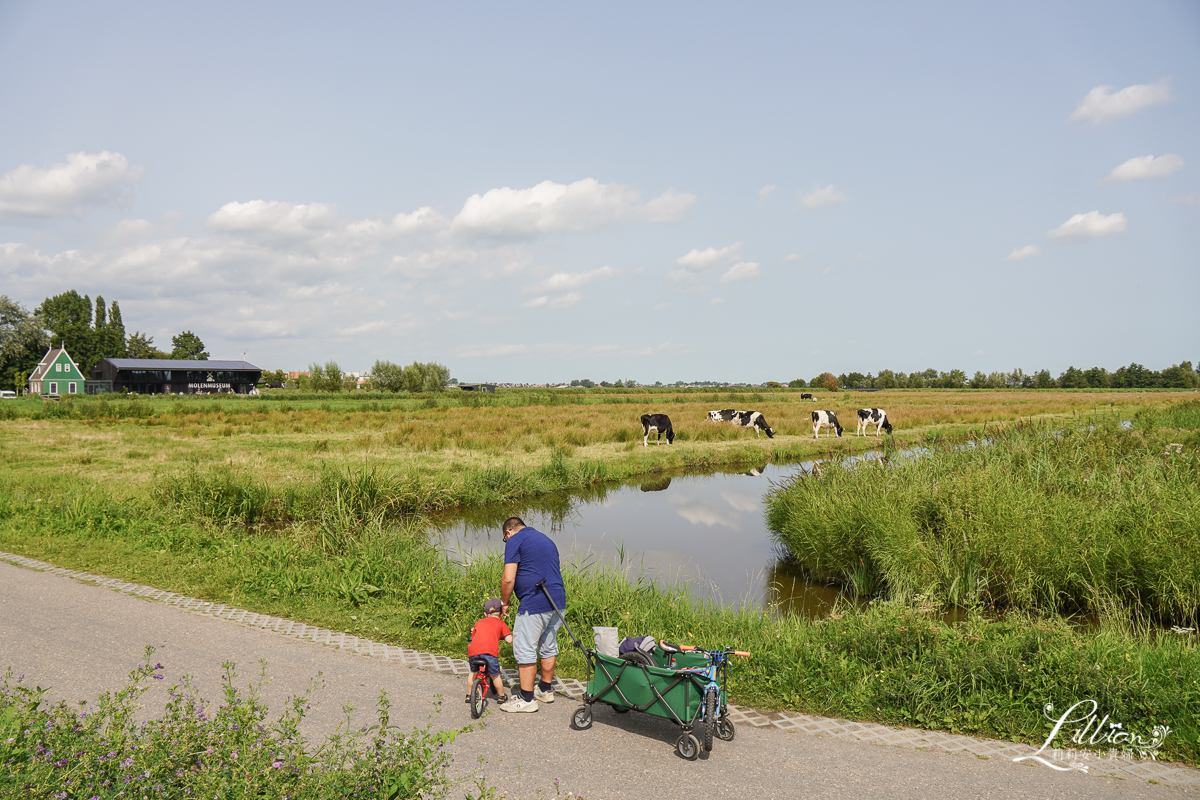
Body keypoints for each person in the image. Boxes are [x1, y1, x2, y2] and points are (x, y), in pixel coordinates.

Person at [498, 516, 566, 713]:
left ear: (508, 532)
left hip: (535, 601)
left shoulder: (514, 540)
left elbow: (508, 579)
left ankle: (526, 699)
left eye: (505, 538)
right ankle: (545, 690)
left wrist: (504, 603)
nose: (506, 541)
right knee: (548, 644)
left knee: (525, 646)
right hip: (558, 601)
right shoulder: (545, 539)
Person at [466, 597, 512, 704]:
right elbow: (509, 640)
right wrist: (502, 636)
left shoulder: (479, 622)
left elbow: (474, 636)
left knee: (473, 672)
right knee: (495, 676)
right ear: (501, 614)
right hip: (489, 654)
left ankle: (468, 695)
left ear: (485, 614)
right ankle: (501, 696)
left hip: (473, 652)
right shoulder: (501, 624)